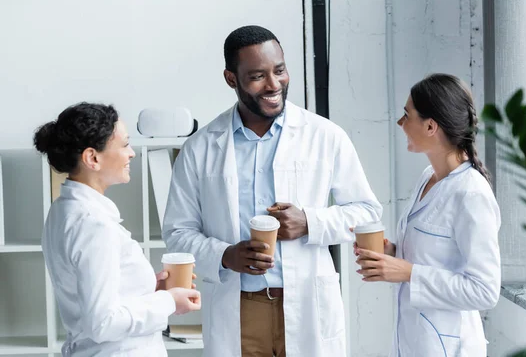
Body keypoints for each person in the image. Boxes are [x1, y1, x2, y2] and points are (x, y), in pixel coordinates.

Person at [162, 25, 382, 357]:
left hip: (306, 303)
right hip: (239, 307)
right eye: (257, 76)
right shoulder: (201, 147)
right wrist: (225, 255)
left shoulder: (325, 135)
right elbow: (178, 232)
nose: (273, 84)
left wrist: (310, 221)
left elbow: (366, 212)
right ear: (231, 78)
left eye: (279, 71)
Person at [34, 103, 201, 356]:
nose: (132, 153)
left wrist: (145, 290)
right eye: (124, 145)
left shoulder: (64, 209)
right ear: (93, 158)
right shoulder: (93, 223)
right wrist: (168, 301)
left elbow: (94, 297)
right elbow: (103, 323)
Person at [355, 74, 501, 357]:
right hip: (414, 342)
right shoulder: (428, 178)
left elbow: (485, 291)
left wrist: (408, 273)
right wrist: (393, 253)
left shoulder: (471, 194)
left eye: (406, 115)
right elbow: (436, 255)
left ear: (431, 126)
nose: (401, 123)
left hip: (449, 347)